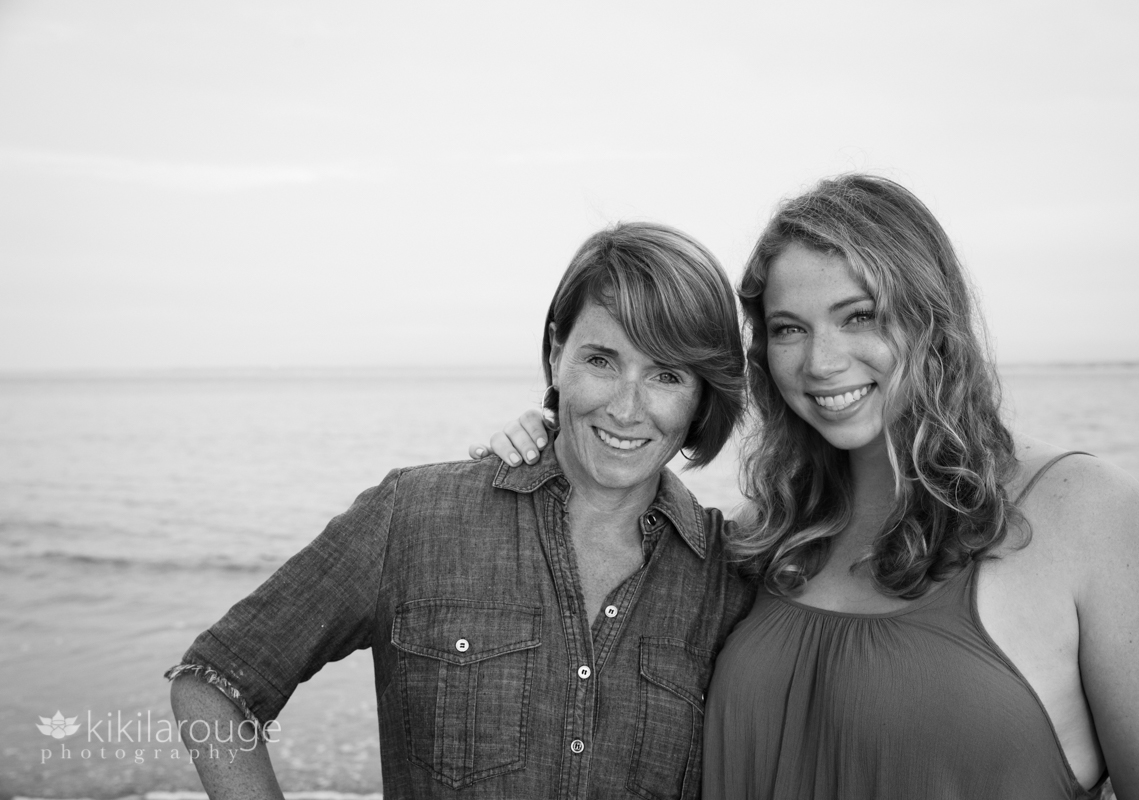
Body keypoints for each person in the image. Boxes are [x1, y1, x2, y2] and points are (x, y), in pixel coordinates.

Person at [474, 175, 1139, 799]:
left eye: (859, 316)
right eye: (789, 329)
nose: (822, 362)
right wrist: (552, 447)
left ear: (930, 317)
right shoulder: (761, 540)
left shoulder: (1091, 516)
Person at [166, 222, 756, 799]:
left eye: (667, 375)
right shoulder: (415, 517)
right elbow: (215, 684)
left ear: (703, 393)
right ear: (557, 353)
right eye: (601, 360)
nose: (627, 408)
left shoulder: (729, 581)